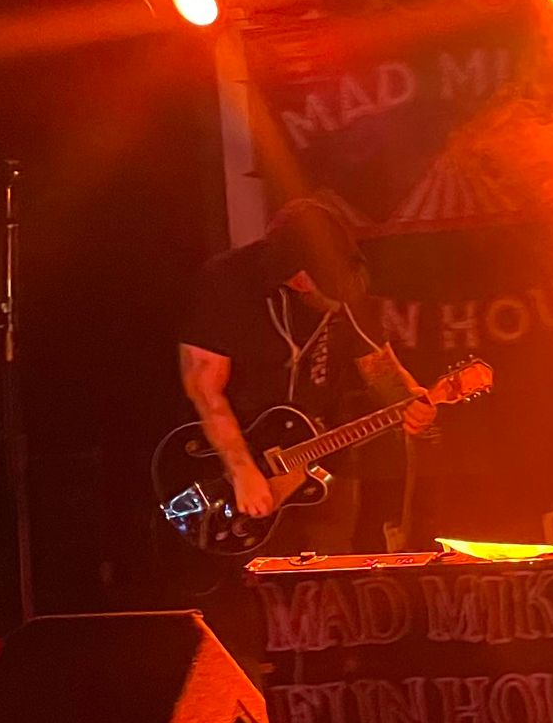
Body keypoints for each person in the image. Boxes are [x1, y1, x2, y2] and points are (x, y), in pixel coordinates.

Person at [178, 196, 435, 556]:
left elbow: (379, 366)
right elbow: (204, 389)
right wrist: (241, 469)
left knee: (331, 565)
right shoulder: (226, 281)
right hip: (235, 452)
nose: (339, 301)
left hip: (318, 456)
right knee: (252, 571)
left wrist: (409, 399)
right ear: (299, 280)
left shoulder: (347, 288)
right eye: (327, 290)